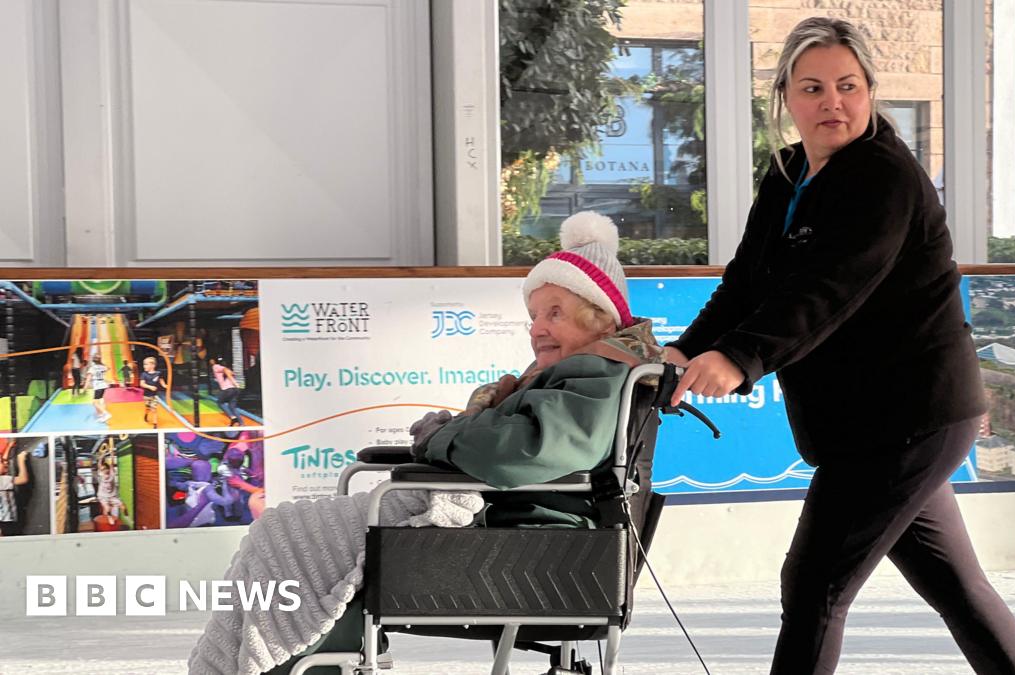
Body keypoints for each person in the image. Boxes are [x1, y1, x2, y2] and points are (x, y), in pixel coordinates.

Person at [663, 17, 1015, 675]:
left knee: (814, 584)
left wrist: (741, 358)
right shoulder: (785, 175)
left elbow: (828, 288)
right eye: (812, 87)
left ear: (870, 91)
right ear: (785, 96)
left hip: (911, 418)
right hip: (865, 424)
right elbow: (746, 283)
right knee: (955, 586)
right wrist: (686, 348)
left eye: (848, 85)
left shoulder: (883, 177)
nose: (832, 101)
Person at [187, 212, 662, 675]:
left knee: (291, 536)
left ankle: (277, 663)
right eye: (534, 315)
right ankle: (282, 661)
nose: (538, 327)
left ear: (601, 318)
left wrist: (441, 438)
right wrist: (444, 441)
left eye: (555, 313)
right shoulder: (576, 375)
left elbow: (530, 450)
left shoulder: (598, 375)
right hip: (509, 526)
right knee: (292, 537)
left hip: (523, 538)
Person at [0, 442, 32, 537]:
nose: (5, 463)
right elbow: (23, 479)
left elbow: (4, 461)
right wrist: (21, 460)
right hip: (6, 522)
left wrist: (9, 447)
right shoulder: (2, 480)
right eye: (1, 462)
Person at [210, 357, 243, 426]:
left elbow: (225, 370)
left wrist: (234, 382)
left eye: (212, 360)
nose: (211, 362)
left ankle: (233, 418)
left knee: (220, 402)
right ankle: (241, 424)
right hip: (235, 389)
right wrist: (236, 384)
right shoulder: (229, 369)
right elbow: (230, 373)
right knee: (232, 407)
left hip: (228, 389)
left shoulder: (216, 366)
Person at [85, 354, 112, 423]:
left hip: (98, 386)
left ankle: (105, 414)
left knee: (94, 403)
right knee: (100, 400)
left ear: (93, 360)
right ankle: (101, 414)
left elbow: (88, 378)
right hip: (103, 385)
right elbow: (109, 368)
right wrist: (103, 364)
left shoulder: (92, 368)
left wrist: (85, 387)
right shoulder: (102, 367)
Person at [140, 356, 164, 427]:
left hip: (155, 395)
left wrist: (165, 385)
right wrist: (150, 387)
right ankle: (146, 414)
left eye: (146, 364)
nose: (144, 366)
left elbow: (161, 380)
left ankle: (155, 423)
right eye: (144, 364)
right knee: (148, 408)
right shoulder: (144, 374)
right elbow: (142, 384)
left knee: (154, 409)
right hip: (146, 395)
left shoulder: (158, 373)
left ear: (153, 365)